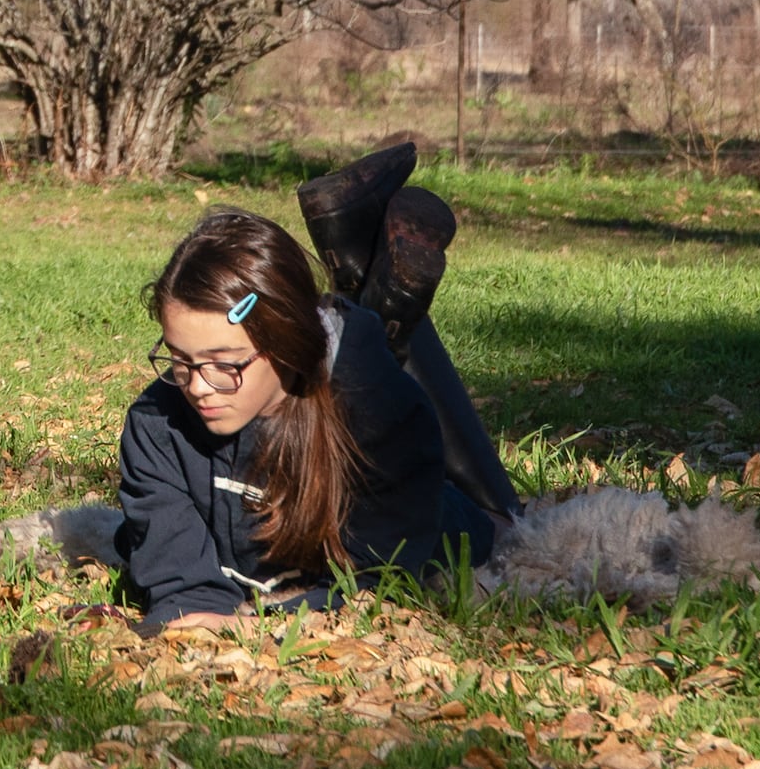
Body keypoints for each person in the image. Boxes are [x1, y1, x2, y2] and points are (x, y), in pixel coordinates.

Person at [115, 204, 512, 631]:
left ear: (283, 342)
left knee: (502, 515)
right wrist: (195, 621)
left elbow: (376, 584)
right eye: (180, 360)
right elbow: (182, 587)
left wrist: (258, 626)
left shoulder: (377, 417)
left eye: (224, 363)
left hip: (444, 526)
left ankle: (380, 309)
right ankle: (374, 289)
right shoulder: (156, 426)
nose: (198, 386)